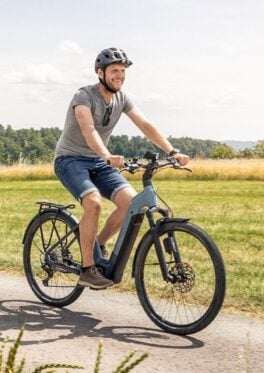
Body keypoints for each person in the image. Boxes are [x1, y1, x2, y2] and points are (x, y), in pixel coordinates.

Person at [54, 47, 191, 289]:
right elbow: (89, 129)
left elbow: (145, 124)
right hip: (70, 159)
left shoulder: (122, 98)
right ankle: (88, 269)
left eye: (123, 71)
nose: (119, 75)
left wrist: (172, 151)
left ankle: (97, 244)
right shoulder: (83, 96)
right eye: (114, 71)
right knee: (93, 203)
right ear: (100, 72)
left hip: (98, 161)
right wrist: (106, 154)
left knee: (132, 204)